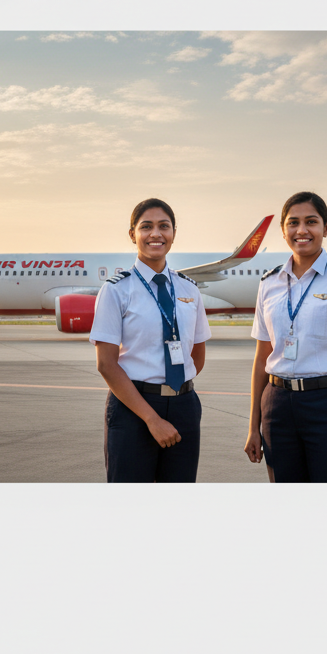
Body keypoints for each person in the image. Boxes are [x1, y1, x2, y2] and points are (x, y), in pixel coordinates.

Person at [244, 191, 327, 482]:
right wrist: (253, 426)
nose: (302, 230)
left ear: (326, 228)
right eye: (293, 223)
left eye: (311, 222)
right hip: (277, 405)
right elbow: (261, 360)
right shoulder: (269, 283)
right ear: (283, 230)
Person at [90, 199, 211, 482]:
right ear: (133, 234)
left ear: (173, 233)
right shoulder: (116, 290)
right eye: (146, 227)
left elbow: (198, 354)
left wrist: (176, 394)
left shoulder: (189, 289)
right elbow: (106, 365)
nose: (155, 234)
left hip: (184, 405)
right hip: (133, 406)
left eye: (163, 226)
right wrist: (152, 419)